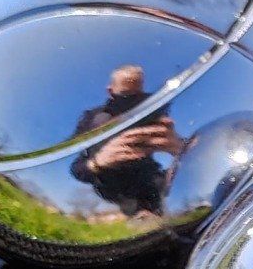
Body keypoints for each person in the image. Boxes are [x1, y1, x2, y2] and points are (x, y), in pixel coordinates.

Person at [70, 64, 182, 216]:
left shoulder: (149, 107)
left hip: (154, 184)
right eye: (125, 96)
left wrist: (180, 148)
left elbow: (179, 146)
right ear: (110, 91)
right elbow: (76, 167)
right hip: (116, 194)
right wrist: (98, 162)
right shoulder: (92, 120)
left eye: (137, 96)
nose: (131, 104)